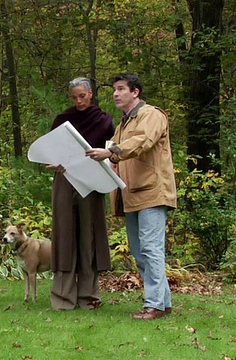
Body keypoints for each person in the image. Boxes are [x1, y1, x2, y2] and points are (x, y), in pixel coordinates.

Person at [85, 73, 177, 320]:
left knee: (150, 250)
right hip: (131, 195)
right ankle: (163, 303)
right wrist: (67, 162)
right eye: (114, 89)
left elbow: (142, 142)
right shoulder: (122, 124)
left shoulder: (152, 115)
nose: (116, 93)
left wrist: (111, 151)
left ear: (135, 92)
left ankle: (154, 304)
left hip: (152, 193)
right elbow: (105, 153)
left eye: (121, 89)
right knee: (140, 252)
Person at [48, 77, 115, 310]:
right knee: (65, 234)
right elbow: (52, 151)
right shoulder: (62, 120)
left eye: (82, 96)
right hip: (65, 180)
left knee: (89, 236)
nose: (78, 101)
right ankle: (63, 297)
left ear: (90, 94)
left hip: (92, 182)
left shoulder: (104, 120)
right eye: (74, 97)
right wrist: (54, 163)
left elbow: (111, 151)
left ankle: (89, 297)